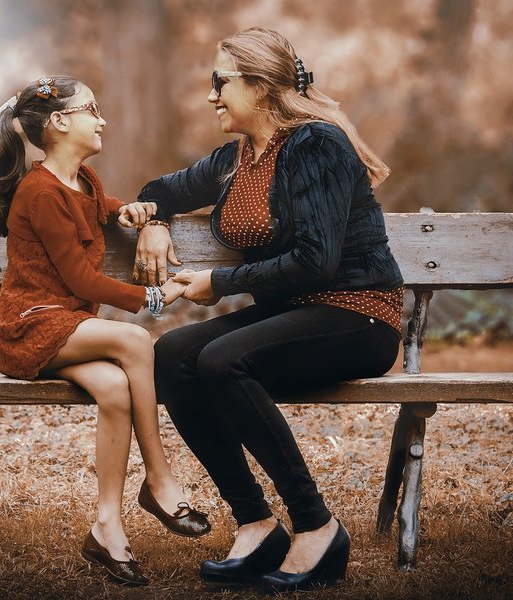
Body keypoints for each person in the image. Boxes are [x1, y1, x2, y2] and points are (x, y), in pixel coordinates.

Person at [132, 28, 404, 591]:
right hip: (296, 314)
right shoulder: (236, 159)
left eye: (219, 81)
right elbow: (161, 186)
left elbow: (317, 262)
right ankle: (256, 522)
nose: (211, 95)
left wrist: (219, 281)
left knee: (224, 359)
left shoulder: (316, 145)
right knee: (175, 353)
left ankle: (316, 525)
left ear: (257, 87)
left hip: (358, 312)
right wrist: (155, 223)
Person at [0, 76, 210, 587]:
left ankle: (106, 527)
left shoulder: (84, 180)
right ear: (60, 123)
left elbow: (103, 210)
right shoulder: (38, 191)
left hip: (67, 325)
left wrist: (139, 214)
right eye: (91, 109)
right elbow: (82, 280)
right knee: (133, 339)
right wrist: (159, 296)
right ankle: (159, 478)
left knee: (113, 388)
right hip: (29, 327)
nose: (101, 118)